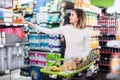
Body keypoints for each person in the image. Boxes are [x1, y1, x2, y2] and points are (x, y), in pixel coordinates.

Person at [24, 8, 91, 70]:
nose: (70, 16)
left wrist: (81, 57)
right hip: (67, 61)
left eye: (72, 15)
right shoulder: (66, 28)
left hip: (80, 63)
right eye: (70, 15)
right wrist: (34, 26)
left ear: (78, 18)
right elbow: (49, 31)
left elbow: (87, 50)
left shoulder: (86, 31)